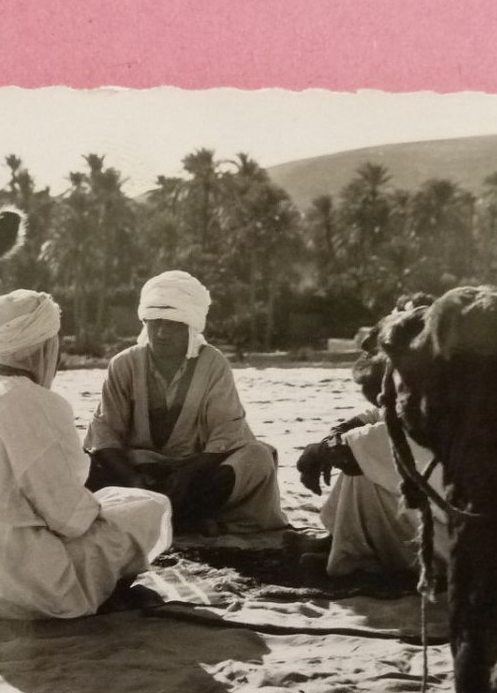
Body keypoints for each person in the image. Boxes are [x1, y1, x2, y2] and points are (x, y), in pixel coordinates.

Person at [0, 290, 173, 621]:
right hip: (23, 590)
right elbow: (70, 518)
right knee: (148, 507)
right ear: (46, 347)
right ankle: (104, 594)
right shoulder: (38, 403)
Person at [84, 270, 287, 534]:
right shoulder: (124, 365)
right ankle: (182, 517)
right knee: (81, 460)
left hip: (199, 471)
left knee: (258, 457)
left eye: (172, 324)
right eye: (154, 323)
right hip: (137, 470)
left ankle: (174, 515)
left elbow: (227, 434)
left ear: (190, 326)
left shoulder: (213, 364)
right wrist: (132, 478)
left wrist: (187, 474)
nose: (161, 333)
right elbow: (105, 433)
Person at [293, 344, 451, 639]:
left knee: (362, 467)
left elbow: (348, 451)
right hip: (454, 531)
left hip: (452, 550)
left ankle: (354, 558)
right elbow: (373, 414)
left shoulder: (424, 420)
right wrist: (334, 433)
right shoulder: (438, 396)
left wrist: (317, 452)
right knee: (366, 458)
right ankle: (337, 541)